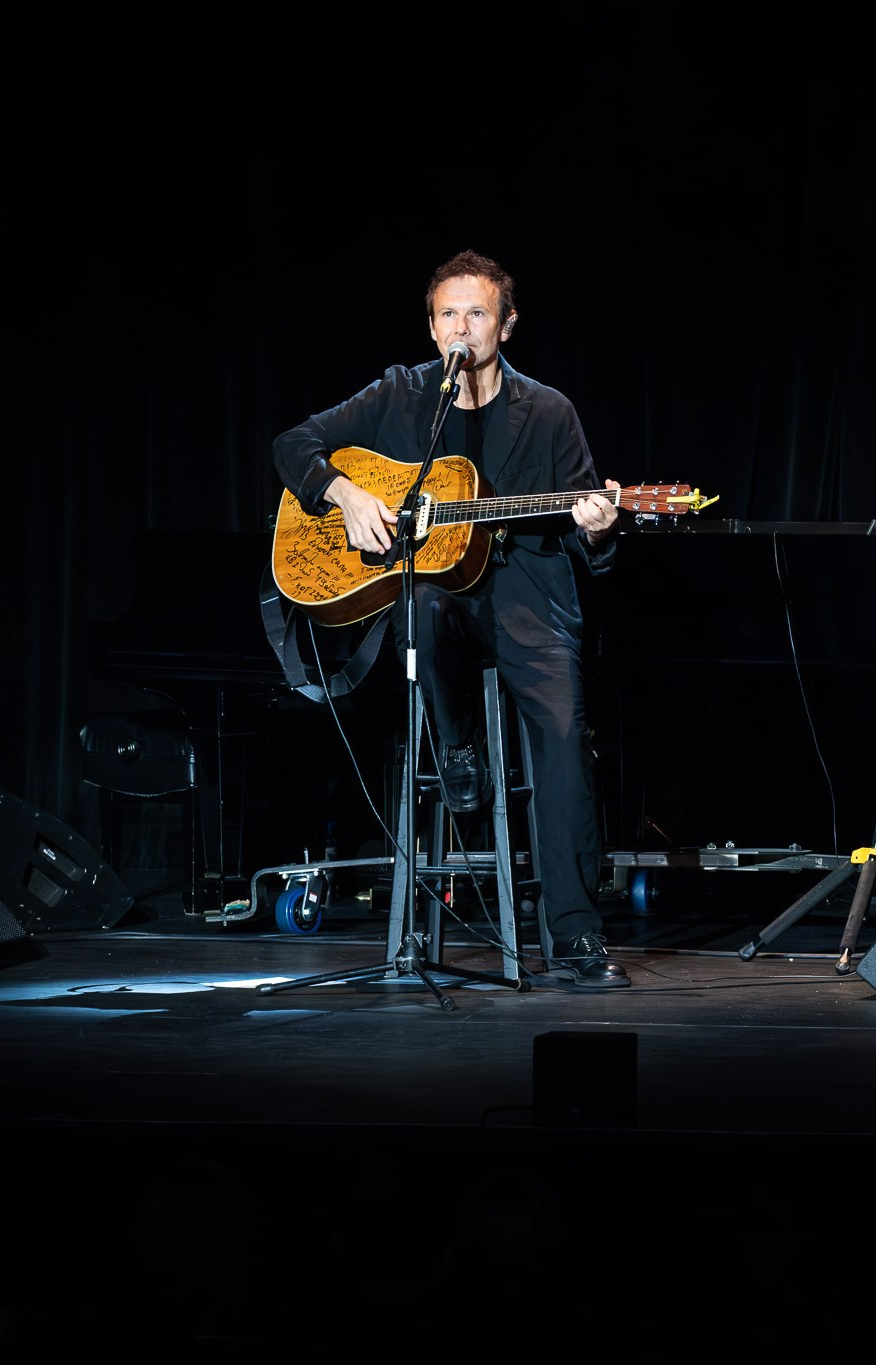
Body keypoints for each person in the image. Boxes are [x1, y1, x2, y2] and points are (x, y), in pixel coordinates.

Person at [271, 248, 629, 988]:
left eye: (477, 312)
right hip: (439, 606)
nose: (462, 327)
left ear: (507, 323)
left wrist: (599, 527)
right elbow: (292, 445)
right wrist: (345, 493)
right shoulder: (402, 395)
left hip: (531, 600)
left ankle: (574, 936)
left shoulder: (550, 411)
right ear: (433, 329)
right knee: (424, 599)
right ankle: (457, 747)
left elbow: (588, 536)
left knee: (564, 735)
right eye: (448, 314)